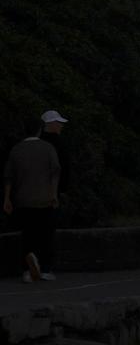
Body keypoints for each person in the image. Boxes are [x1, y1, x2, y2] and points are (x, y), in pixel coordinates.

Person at [3, 115, 61, 282]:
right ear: (40, 130)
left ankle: (27, 269)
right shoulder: (48, 148)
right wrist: (54, 194)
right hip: (45, 199)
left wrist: (7, 199)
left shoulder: (16, 150)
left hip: (23, 200)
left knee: (28, 235)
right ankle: (45, 269)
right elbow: (55, 172)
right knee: (46, 235)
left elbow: (9, 177)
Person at [38, 110, 69, 203]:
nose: (61, 125)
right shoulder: (59, 143)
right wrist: (63, 188)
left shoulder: (36, 140)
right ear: (51, 124)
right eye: (58, 122)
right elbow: (64, 166)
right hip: (53, 189)